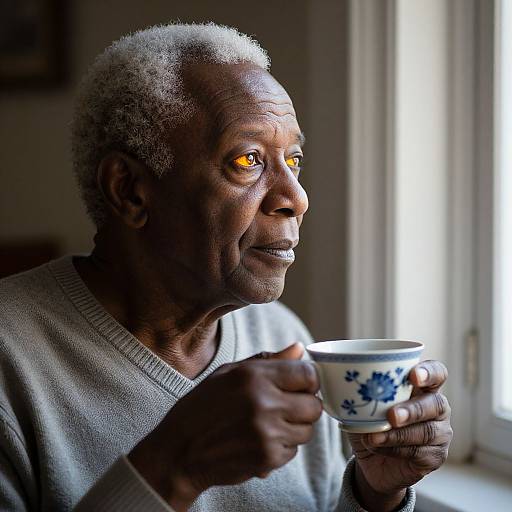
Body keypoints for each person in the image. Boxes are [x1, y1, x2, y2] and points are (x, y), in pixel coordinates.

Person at [0, 23, 452, 511]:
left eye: (293, 161)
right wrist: (174, 466)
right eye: (248, 159)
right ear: (129, 190)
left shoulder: (281, 337)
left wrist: (375, 493)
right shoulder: (12, 361)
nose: (296, 198)